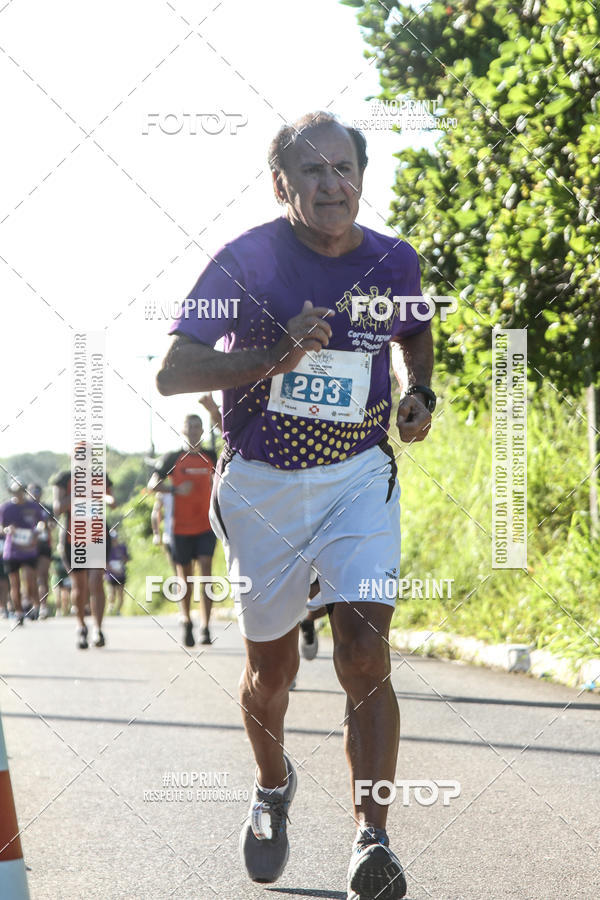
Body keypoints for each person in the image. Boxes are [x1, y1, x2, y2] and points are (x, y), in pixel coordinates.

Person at [157, 111, 434, 900]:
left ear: (361, 175)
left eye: (342, 168)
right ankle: (274, 784)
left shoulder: (392, 260)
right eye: (310, 172)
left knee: (363, 657)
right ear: (282, 184)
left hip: (357, 475)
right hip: (265, 483)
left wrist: (419, 395)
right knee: (269, 672)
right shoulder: (243, 261)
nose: (330, 184)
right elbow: (174, 371)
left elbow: (414, 332)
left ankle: (371, 840)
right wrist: (276, 354)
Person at [148, 415, 217, 647]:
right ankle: (187, 620)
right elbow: (153, 485)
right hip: (180, 528)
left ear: (203, 429)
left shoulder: (211, 456)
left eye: (198, 426)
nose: (194, 430)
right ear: (182, 429)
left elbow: (226, 479)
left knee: (206, 573)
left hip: (206, 525)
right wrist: (176, 489)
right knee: (184, 577)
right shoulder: (173, 458)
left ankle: (206, 627)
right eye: (190, 426)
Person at [52, 464, 114, 649]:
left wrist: (107, 498)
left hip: (97, 537)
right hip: (74, 539)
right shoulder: (64, 478)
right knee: (80, 587)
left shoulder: (101, 476)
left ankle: (98, 629)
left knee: (96, 582)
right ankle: (81, 627)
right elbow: (58, 508)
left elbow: (111, 499)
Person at [0, 480, 44, 625]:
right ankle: (18, 613)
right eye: (15, 491)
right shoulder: (5, 508)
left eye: (20, 490)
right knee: (15, 584)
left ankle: (31, 604)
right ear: (11, 492)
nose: (18, 493)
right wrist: (7, 530)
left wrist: (37, 533)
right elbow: (1, 527)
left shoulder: (33, 506)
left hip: (29, 550)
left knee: (30, 580)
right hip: (12, 551)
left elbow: (41, 522)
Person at [28, 483, 53, 620]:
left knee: (42, 577)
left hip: (44, 545)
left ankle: (43, 607)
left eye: (38, 491)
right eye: (32, 492)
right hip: (27, 547)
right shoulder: (24, 508)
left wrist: (49, 526)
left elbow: (53, 524)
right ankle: (34, 605)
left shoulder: (47, 508)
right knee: (30, 578)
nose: (35, 494)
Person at [105, 527, 129, 614]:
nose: (114, 540)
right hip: (111, 575)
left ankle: (118, 610)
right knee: (111, 594)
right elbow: (105, 563)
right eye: (112, 539)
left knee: (121, 594)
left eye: (115, 538)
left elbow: (127, 559)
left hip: (121, 574)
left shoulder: (122, 547)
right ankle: (110, 608)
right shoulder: (107, 549)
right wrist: (113, 570)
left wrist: (123, 558)